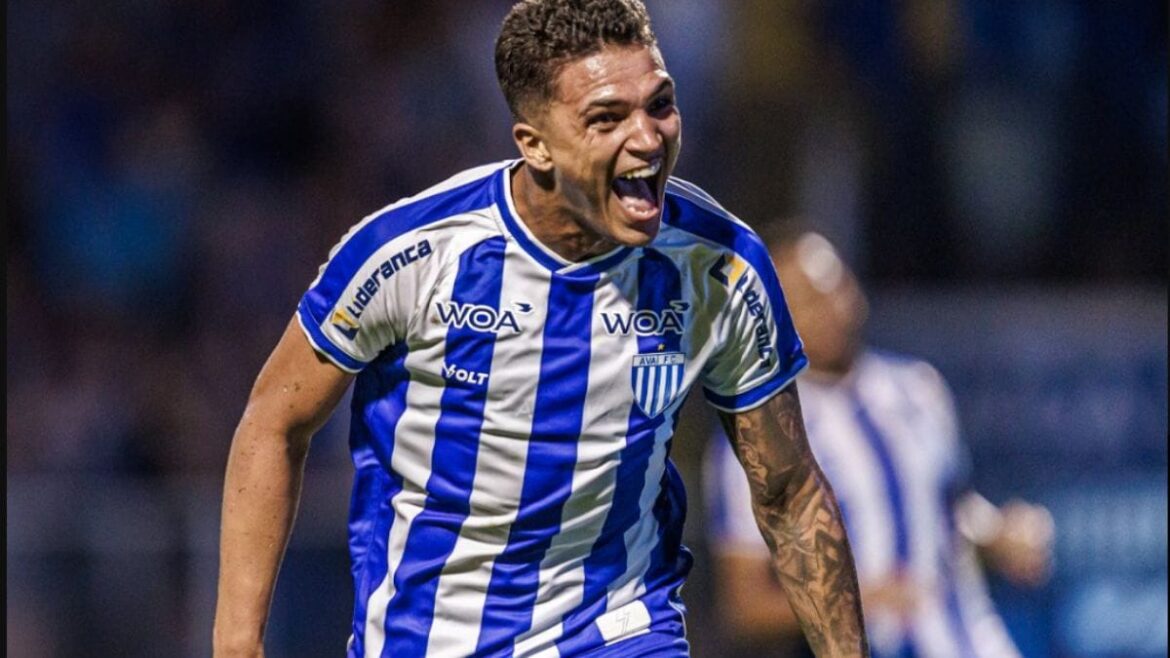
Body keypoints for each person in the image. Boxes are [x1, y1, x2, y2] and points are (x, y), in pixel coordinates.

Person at [212, 2, 868, 657]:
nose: (647, 138)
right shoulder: (415, 255)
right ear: (535, 145)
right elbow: (274, 421)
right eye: (607, 118)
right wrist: (238, 643)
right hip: (430, 638)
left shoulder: (719, 266)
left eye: (659, 104)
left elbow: (787, 489)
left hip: (621, 633)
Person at [705, 230, 1054, 658]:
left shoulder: (918, 388)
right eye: (806, 301)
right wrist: (856, 599)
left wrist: (1001, 534)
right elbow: (745, 607)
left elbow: (948, 513)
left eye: (834, 286)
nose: (828, 307)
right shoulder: (760, 432)